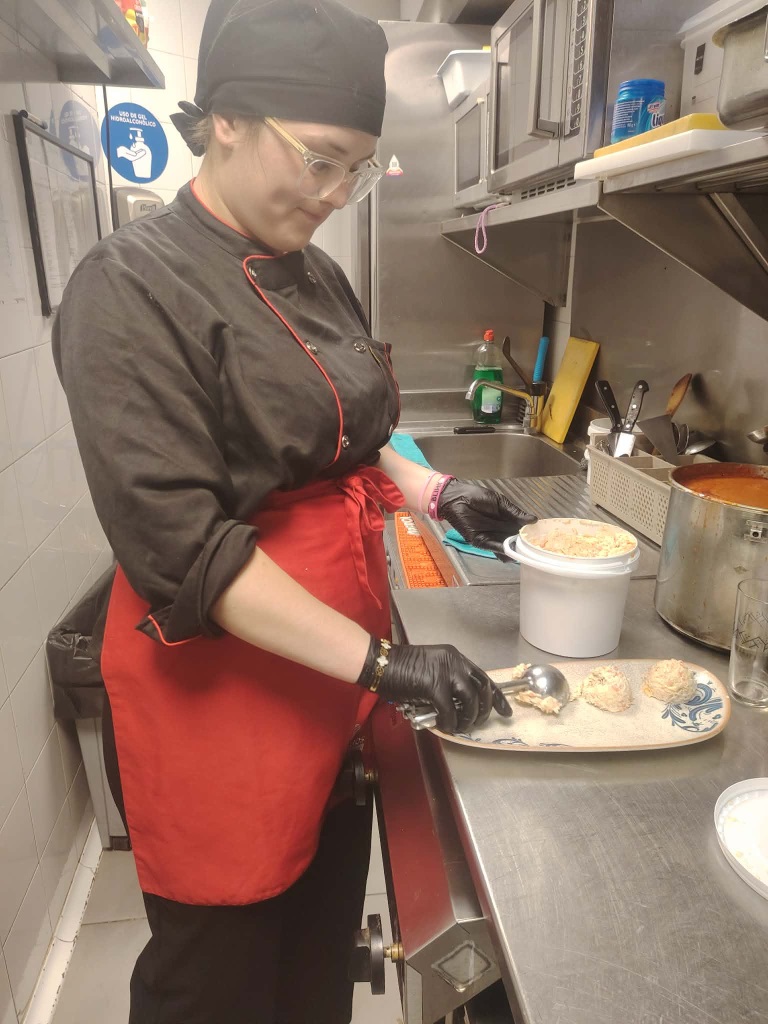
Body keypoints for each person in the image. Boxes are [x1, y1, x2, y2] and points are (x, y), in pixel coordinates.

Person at [53, 1, 535, 1020]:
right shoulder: (129, 286)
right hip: (222, 700)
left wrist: (436, 490)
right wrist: (388, 664)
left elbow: (347, 431)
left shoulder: (314, 268)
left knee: (315, 966)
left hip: (330, 681)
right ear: (226, 119)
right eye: (318, 160)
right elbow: (187, 551)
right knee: (220, 980)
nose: (332, 194)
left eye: (357, 169)